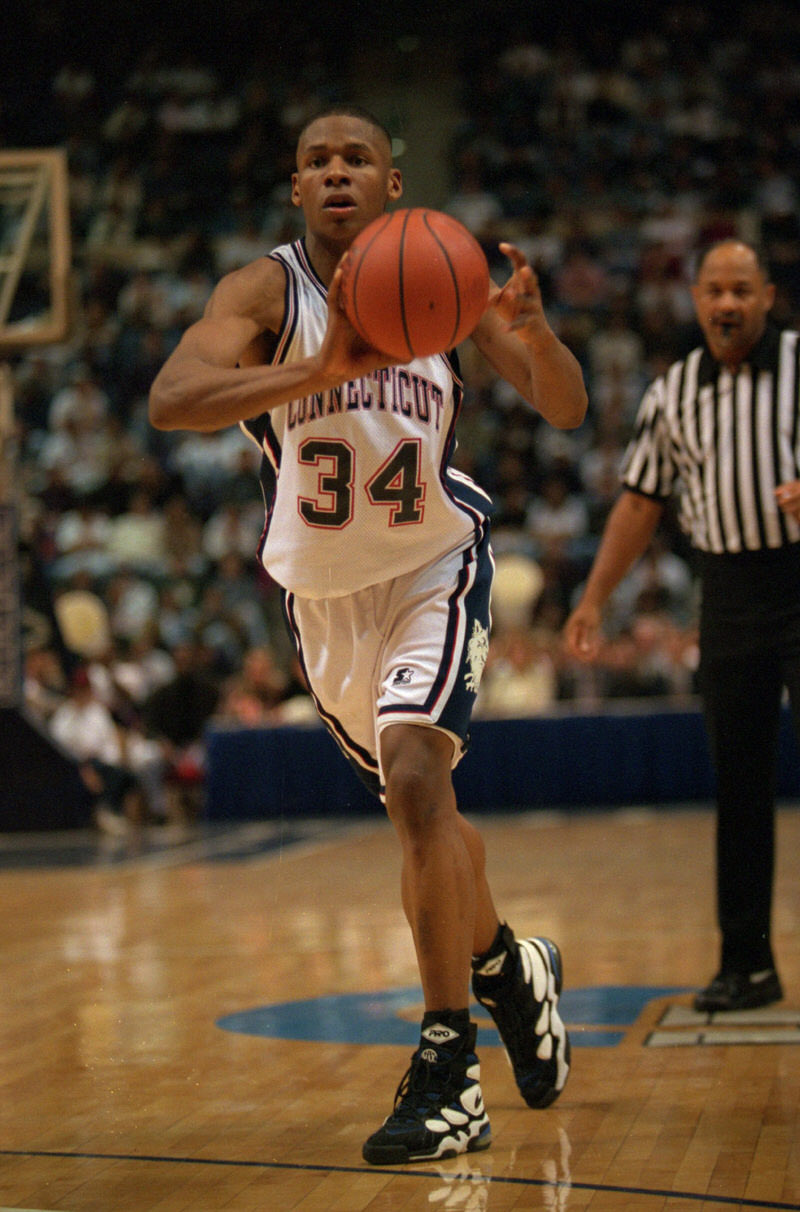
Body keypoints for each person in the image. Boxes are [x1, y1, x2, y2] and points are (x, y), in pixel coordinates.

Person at [149, 105, 587, 1163]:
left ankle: (448, 1069)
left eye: (357, 159)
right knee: (418, 808)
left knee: (417, 782)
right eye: (316, 161)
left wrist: (528, 329)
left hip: (435, 562)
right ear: (294, 189)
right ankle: (504, 964)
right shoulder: (265, 292)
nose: (336, 172)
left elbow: (563, 407)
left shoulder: (442, 267)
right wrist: (316, 369)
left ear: (394, 185)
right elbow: (172, 399)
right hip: (325, 601)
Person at [564, 239, 800, 1015]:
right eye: (713, 291)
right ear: (694, 299)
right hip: (728, 591)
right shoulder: (671, 393)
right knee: (738, 786)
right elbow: (639, 503)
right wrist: (594, 597)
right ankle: (746, 965)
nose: (727, 304)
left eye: (742, 289)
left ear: (767, 295)